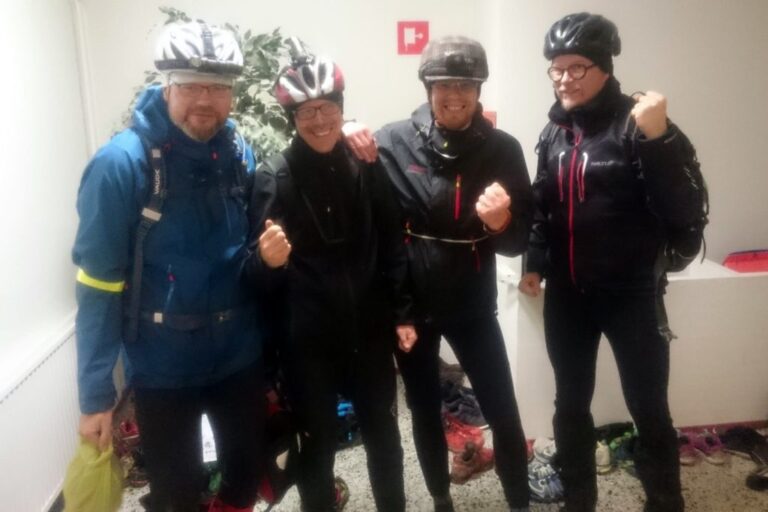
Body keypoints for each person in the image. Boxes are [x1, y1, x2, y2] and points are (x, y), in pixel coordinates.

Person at [518, 13, 707, 512]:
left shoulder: (639, 123)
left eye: (576, 67)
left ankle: (665, 504)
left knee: (649, 408)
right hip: (568, 297)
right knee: (569, 405)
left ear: (604, 67)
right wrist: (533, 262)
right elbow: (542, 208)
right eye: (556, 69)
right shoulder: (554, 134)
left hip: (633, 296)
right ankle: (579, 502)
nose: (564, 78)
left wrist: (659, 139)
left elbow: (684, 209)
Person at [73, 21, 266, 512]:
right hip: (163, 367)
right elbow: (98, 285)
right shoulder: (120, 165)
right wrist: (96, 396)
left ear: (232, 94)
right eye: (191, 85)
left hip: (238, 357)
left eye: (218, 87)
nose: (206, 99)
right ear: (166, 87)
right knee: (177, 495)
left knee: (247, 477)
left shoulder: (238, 153)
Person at [246, 40, 416, 512]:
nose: (319, 120)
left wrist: (403, 311)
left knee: (385, 439)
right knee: (317, 448)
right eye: (306, 112)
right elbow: (258, 278)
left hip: (369, 334)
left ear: (342, 108)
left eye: (327, 108)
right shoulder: (273, 177)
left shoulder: (366, 164)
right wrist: (267, 263)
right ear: (292, 118)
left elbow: (392, 240)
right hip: (308, 346)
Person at [375, 36, 533, 512]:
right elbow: (379, 230)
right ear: (428, 87)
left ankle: (519, 503)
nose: (454, 94)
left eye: (466, 84)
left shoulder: (503, 149)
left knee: (502, 410)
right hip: (413, 308)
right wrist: (349, 130)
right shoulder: (391, 141)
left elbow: (518, 241)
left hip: (473, 306)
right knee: (423, 408)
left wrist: (500, 222)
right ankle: (440, 499)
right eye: (444, 84)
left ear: (479, 89)